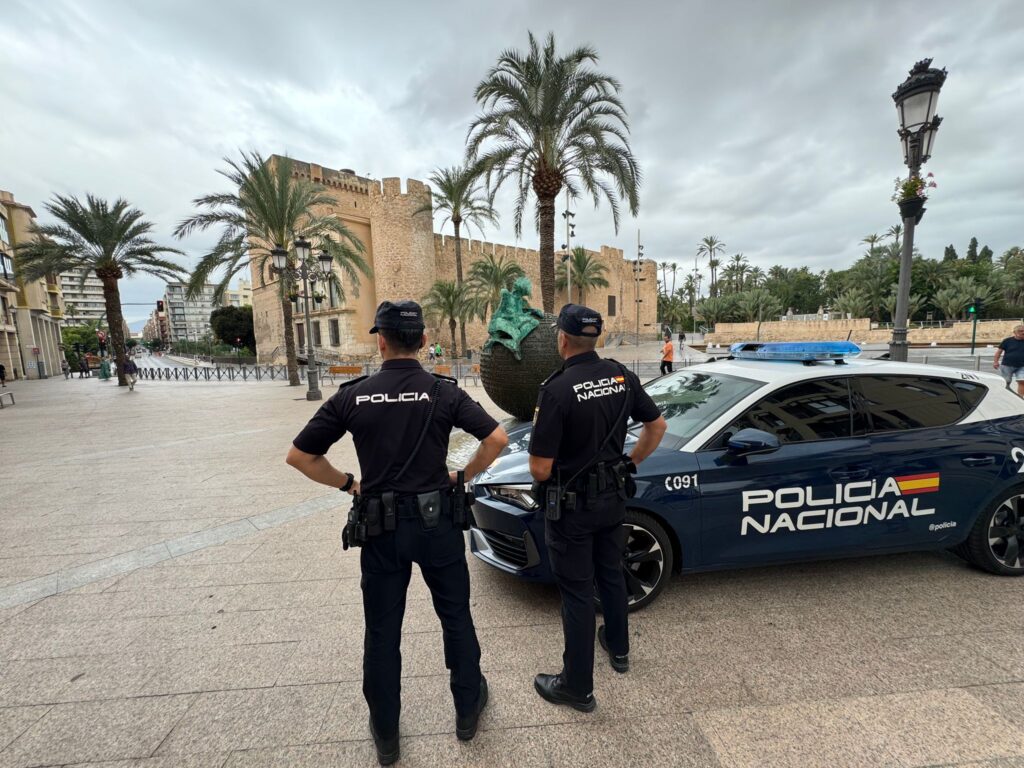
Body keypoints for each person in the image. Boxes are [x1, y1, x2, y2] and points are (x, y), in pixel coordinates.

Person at [286, 300, 508, 765]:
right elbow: (497, 440)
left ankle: (386, 731)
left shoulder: (354, 395)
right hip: (437, 524)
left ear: (380, 341)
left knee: (382, 630)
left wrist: (350, 484)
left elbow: (300, 457)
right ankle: (467, 710)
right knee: (456, 617)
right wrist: (462, 475)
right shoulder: (445, 393)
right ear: (424, 342)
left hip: (381, 528)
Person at [528, 304, 667, 712]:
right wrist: (629, 463)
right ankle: (619, 650)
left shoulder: (555, 389)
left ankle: (577, 687)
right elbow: (656, 426)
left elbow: (540, 468)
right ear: (597, 338)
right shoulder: (621, 376)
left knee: (575, 592)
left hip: (572, 509)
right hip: (612, 499)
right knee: (611, 572)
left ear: (563, 339)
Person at [994, 324, 1024, 396]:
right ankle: (1005, 396)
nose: (1023, 332)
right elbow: (999, 352)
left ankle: (1020, 398)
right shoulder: (1007, 341)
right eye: (1020, 331)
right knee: (1006, 382)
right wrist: (995, 361)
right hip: (1007, 365)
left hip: (1022, 365)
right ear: (1015, 332)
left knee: (1022, 381)